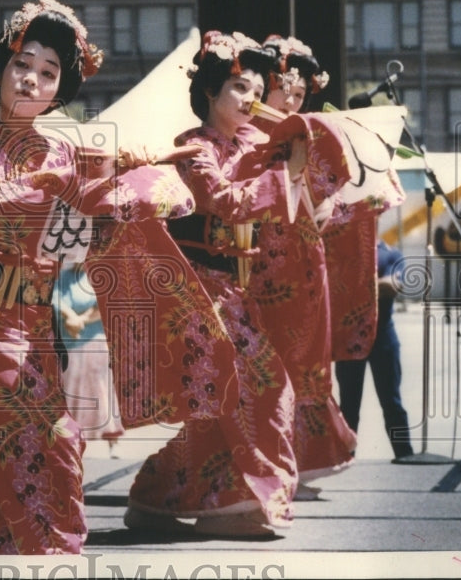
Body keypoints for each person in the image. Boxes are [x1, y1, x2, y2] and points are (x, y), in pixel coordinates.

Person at [0, 0, 195, 554]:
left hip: (37, 322)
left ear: (59, 88)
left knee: (23, 451)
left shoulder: (68, 152)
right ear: (0, 68)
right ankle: (43, 555)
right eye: (21, 65)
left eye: (47, 73)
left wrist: (126, 190)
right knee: (29, 442)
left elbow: (85, 233)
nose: (30, 81)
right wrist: (78, 195)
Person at [123, 31, 349, 538]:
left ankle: (160, 496)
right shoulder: (192, 148)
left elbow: (296, 192)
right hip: (200, 288)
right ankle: (258, 498)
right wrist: (285, 173)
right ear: (209, 93)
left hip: (240, 289)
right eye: (239, 88)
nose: (251, 100)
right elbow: (227, 201)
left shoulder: (257, 142)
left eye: (255, 90)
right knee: (265, 386)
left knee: (218, 409)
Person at [249, 35, 356, 500]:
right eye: (283, 90)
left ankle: (298, 459)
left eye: (298, 94)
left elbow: (322, 207)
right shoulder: (244, 134)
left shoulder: (308, 136)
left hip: (302, 259)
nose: (291, 100)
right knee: (263, 359)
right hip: (255, 260)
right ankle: (262, 459)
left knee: (305, 358)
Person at [334, 240, 414, 461]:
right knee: (348, 405)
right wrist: (376, 284)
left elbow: (394, 287)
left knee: (392, 401)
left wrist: (357, 286)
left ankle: (404, 452)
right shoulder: (345, 250)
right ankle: (345, 456)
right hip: (351, 335)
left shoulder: (390, 254)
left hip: (383, 336)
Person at [52, 263, 124, 458]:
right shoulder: (63, 276)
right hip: (71, 342)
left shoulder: (99, 275)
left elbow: (105, 303)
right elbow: (54, 299)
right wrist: (70, 316)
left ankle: (112, 442)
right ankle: (72, 444)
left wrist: (81, 319)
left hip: (95, 340)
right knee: (73, 390)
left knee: (102, 391)